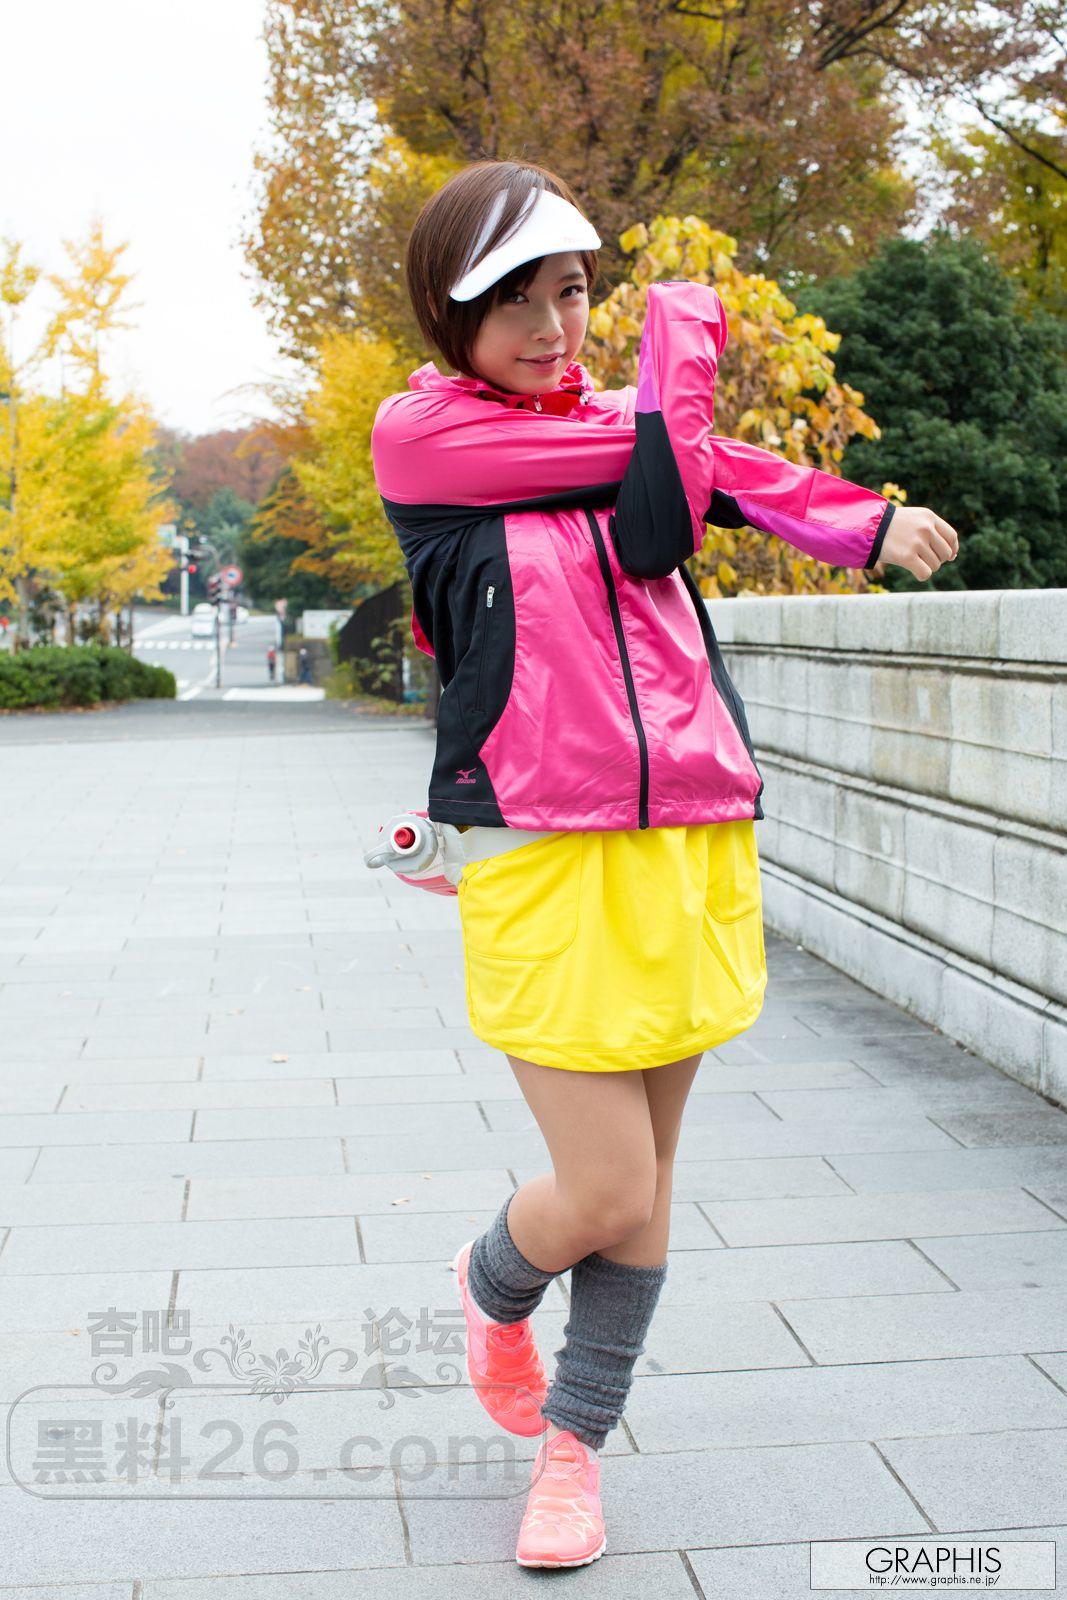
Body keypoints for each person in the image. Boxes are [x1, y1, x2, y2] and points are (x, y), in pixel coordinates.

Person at [370, 160, 958, 1569]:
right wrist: (689, 334)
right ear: (450, 311)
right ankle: (492, 1280)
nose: (553, 327)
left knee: (653, 1175)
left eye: (573, 293)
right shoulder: (425, 435)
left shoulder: (623, 427)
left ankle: (573, 1451)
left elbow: (675, 474)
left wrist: (859, 518)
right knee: (606, 1188)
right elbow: (665, 498)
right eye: (514, 299)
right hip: (538, 845)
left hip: (689, 830)